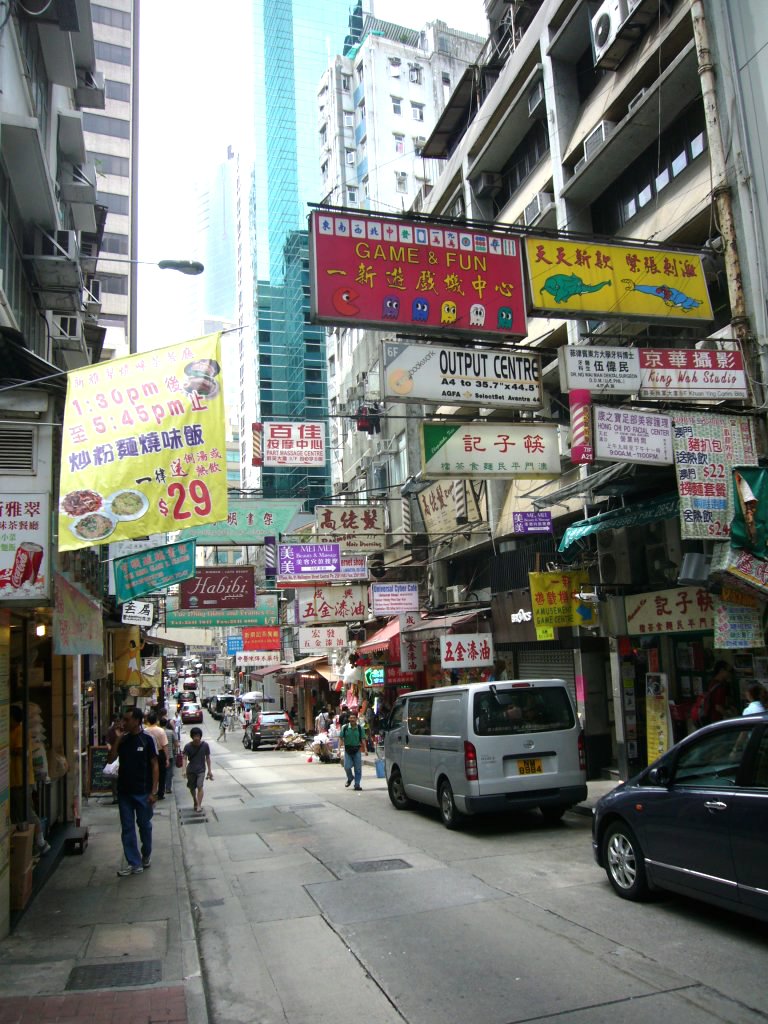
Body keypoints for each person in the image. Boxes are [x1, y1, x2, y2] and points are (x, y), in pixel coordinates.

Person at [108, 707, 159, 876]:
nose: (124, 723)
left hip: (143, 792)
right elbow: (111, 759)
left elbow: (154, 765)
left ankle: (146, 855)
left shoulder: (147, 740)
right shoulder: (123, 741)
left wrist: (153, 791)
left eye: (127, 719)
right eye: (123, 719)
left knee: (144, 826)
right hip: (125, 792)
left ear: (137, 721)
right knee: (127, 828)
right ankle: (133, 862)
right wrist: (117, 740)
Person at [9, 706, 50, 856]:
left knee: (27, 812)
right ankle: (28, 846)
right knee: (18, 814)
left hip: (22, 779)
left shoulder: (20, 732)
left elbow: (19, 750)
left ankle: (40, 842)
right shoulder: (11, 732)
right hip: (13, 780)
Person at [183, 726, 213, 813]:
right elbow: (184, 758)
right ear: (192, 737)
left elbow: (207, 758)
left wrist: (209, 771)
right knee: (192, 788)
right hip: (191, 770)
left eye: (198, 736)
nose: (196, 738)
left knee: (200, 786)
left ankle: (199, 805)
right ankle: (195, 801)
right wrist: (184, 770)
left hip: (201, 770)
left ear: (200, 736)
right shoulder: (187, 746)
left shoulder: (205, 745)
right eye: (194, 736)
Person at [144, 711, 170, 800]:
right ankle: (160, 793)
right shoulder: (161, 731)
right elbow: (165, 745)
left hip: (149, 754)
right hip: (160, 753)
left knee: (150, 773)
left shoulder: (145, 731)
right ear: (156, 720)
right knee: (162, 774)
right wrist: (167, 758)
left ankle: (151, 791)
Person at [340, 711, 366, 790]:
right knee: (347, 766)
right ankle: (350, 777)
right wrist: (338, 749)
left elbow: (363, 739)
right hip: (348, 749)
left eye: (354, 718)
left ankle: (357, 784)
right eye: (351, 718)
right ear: (348, 719)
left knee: (358, 768)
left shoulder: (360, 728)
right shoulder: (345, 727)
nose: (352, 719)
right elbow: (341, 738)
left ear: (356, 719)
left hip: (357, 749)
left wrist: (366, 749)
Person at [161, 715, 178, 793]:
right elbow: (176, 743)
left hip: (159, 755)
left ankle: (160, 788)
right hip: (170, 754)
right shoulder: (170, 732)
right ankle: (167, 788)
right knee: (169, 772)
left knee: (161, 772)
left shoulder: (158, 732)